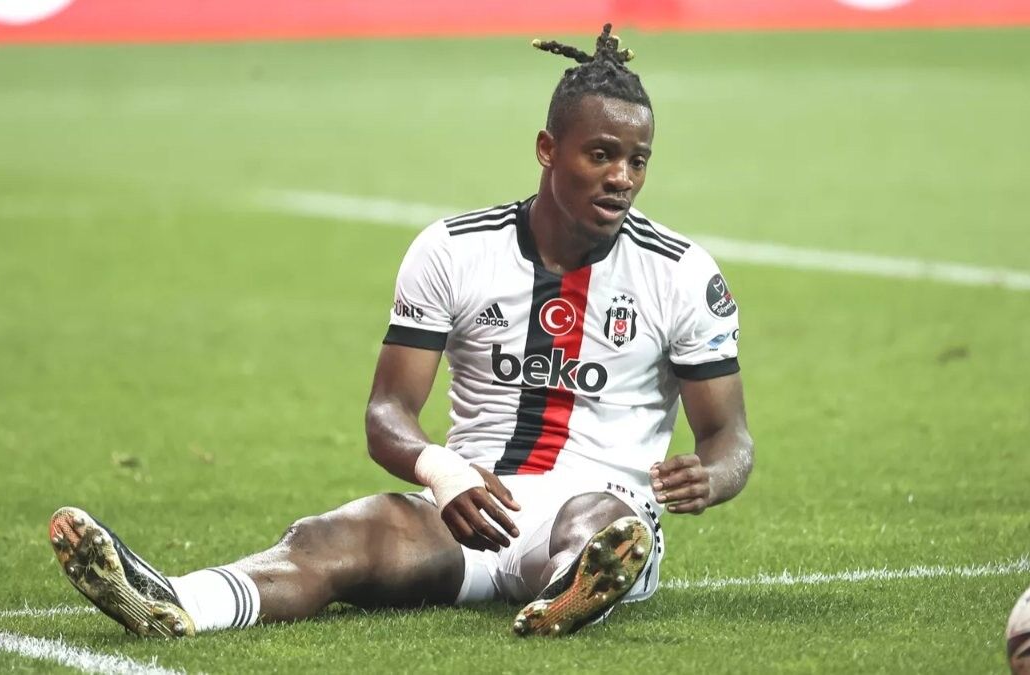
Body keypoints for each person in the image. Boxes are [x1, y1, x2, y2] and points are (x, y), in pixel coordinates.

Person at [48, 23, 754, 638]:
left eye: (637, 161)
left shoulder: (680, 273)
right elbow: (387, 413)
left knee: (591, 527)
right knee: (330, 539)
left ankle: (573, 590)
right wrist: (443, 473)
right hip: (473, 510)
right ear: (547, 148)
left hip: (609, 511)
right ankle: (176, 601)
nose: (622, 177)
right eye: (600, 155)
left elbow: (729, 436)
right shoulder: (453, 251)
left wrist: (712, 477)